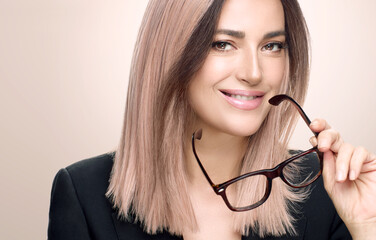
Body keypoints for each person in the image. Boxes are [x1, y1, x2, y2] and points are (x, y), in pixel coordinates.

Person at [48, 0, 376, 239]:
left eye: (272, 45)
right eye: (223, 44)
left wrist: (367, 226)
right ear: (171, 54)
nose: (253, 73)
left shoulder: (326, 191)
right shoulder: (83, 195)